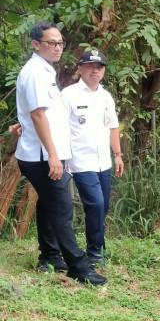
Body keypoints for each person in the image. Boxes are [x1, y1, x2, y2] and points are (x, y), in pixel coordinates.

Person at [14, 21, 106, 285]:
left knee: (48, 204)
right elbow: (38, 114)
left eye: (60, 43)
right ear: (35, 44)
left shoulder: (44, 71)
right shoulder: (34, 72)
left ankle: (50, 256)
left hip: (43, 153)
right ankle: (79, 267)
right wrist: (54, 156)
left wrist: (25, 125)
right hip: (41, 157)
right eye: (51, 43)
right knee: (63, 209)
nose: (57, 47)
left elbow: (40, 114)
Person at [62, 50, 124, 266]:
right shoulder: (69, 95)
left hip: (103, 161)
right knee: (95, 204)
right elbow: (57, 126)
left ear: (104, 71)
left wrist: (117, 155)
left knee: (103, 205)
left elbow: (113, 127)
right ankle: (95, 252)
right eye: (89, 66)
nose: (94, 70)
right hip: (80, 161)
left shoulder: (106, 97)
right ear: (79, 69)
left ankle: (97, 247)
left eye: (99, 67)